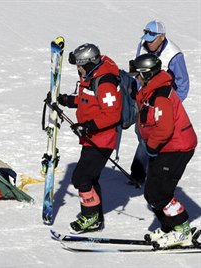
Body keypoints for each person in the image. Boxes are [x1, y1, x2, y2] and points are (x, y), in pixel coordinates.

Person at [130, 54, 197, 248]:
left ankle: (182, 229)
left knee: (160, 193)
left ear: (147, 74)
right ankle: (170, 227)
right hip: (166, 147)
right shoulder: (151, 91)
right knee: (152, 191)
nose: (137, 78)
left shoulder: (160, 95)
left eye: (139, 75)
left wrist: (150, 147)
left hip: (177, 147)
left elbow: (165, 128)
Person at [55, 43, 122, 234]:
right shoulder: (92, 76)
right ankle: (96, 215)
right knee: (90, 177)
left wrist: (88, 126)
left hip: (102, 139)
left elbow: (112, 114)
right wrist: (68, 101)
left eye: (80, 65)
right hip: (92, 138)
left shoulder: (105, 82)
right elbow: (88, 101)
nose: (78, 69)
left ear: (90, 63)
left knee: (81, 178)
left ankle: (90, 216)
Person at [131, 20, 190, 185]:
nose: (148, 42)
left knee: (154, 139)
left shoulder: (174, 55)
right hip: (143, 99)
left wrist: (170, 104)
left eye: (152, 39)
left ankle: (141, 174)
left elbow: (183, 83)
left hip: (161, 105)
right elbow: (138, 70)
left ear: (162, 37)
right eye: (147, 38)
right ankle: (141, 173)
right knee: (142, 135)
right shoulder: (143, 45)